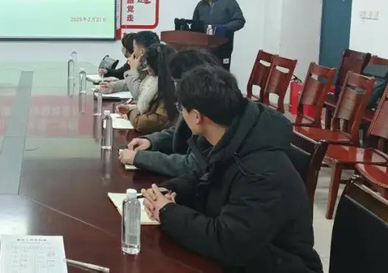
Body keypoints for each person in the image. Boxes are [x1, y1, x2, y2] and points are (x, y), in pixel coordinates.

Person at [141, 66, 322, 273]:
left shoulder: (259, 170)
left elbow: (229, 243)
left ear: (197, 116)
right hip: (251, 258)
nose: (181, 112)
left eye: (181, 107)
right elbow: (203, 176)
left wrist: (168, 212)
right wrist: (170, 191)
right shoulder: (232, 136)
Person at [118, 48, 220, 177]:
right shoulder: (201, 102)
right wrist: (151, 141)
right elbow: (181, 131)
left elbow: (192, 166)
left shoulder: (215, 117)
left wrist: (139, 158)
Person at [115, 44, 177, 134]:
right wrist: (130, 107)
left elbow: (142, 123)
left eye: (149, 64)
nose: (147, 68)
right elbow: (146, 104)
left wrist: (130, 112)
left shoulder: (169, 88)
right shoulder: (153, 80)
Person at [192, 0, 245, 71]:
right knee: (203, 74)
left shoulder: (230, 2)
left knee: (221, 75)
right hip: (203, 49)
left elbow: (239, 21)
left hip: (223, 47)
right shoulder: (200, 5)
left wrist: (221, 29)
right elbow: (195, 25)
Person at [99, 31, 160, 96]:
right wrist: (113, 86)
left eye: (134, 48)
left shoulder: (153, 68)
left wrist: (133, 70)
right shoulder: (146, 64)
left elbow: (139, 95)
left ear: (142, 52)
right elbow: (135, 83)